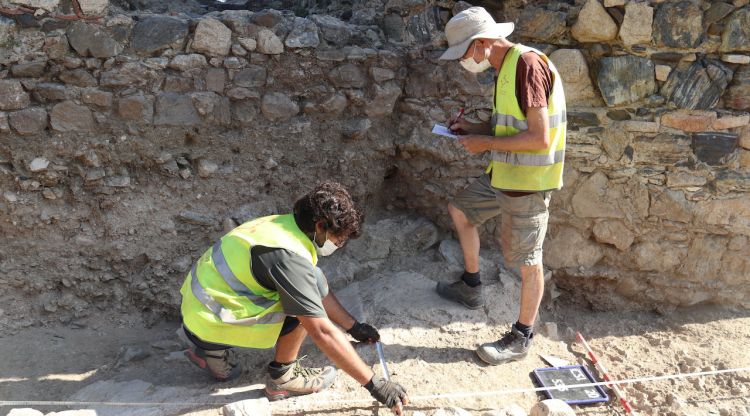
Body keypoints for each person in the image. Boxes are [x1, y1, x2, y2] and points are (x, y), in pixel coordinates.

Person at [179, 182, 409, 413]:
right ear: (320, 226)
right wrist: (375, 384)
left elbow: (313, 283)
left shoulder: (281, 226)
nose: (341, 244)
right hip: (211, 321)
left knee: (310, 283)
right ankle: (283, 379)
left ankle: (208, 352)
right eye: (339, 238)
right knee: (302, 310)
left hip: (200, 310)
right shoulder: (289, 259)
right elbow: (322, 332)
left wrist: (353, 327)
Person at [436, 7, 566, 365]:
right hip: (504, 174)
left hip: (527, 182)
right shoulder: (505, 67)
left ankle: (521, 338)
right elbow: (510, 125)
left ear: (480, 44)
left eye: (463, 53)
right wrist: (474, 130)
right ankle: (471, 286)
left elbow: (539, 138)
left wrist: (486, 144)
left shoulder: (527, 65)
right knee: (461, 209)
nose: (463, 61)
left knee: (527, 261)